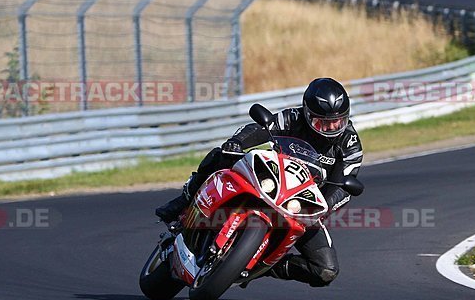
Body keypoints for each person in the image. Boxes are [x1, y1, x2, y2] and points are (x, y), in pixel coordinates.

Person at [155, 77, 364, 287]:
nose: (331, 127)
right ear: (308, 114)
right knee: (220, 155)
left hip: (302, 205)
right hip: (269, 178)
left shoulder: (350, 144)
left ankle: (259, 265)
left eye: (338, 121)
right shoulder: (293, 117)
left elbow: (345, 186)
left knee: (326, 271)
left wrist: (323, 208)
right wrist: (237, 142)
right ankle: (184, 199)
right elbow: (262, 128)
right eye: (323, 122)